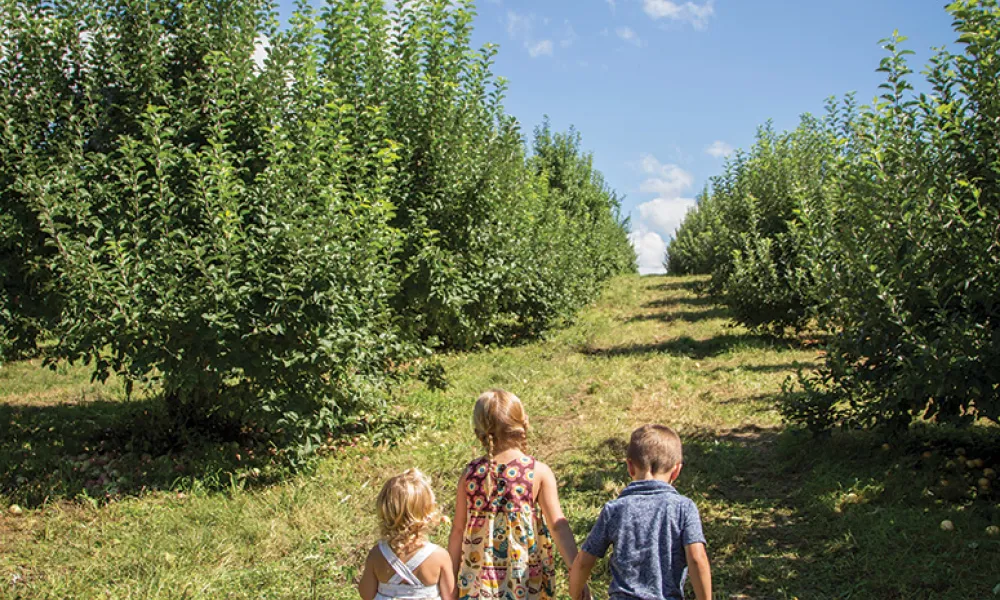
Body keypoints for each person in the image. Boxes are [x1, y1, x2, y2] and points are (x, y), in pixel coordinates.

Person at [448, 389, 580, 600]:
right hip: (524, 580)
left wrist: (450, 581)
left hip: (477, 581)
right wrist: (577, 570)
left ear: (479, 432)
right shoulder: (538, 472)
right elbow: (558, 525)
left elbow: (457, 530)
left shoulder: (470, 474)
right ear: (523, 424)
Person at [569, 424, 712, 600]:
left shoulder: (614, 510)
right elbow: (697, 559)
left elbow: (583, 562)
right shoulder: (684, 508)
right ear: (676, 471)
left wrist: (576, 595)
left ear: (630, 466)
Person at [359, 469, 456, 600]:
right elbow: (450, 596)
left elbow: (366, 594)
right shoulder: (439, 556)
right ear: (428, 511)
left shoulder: (377, 554)